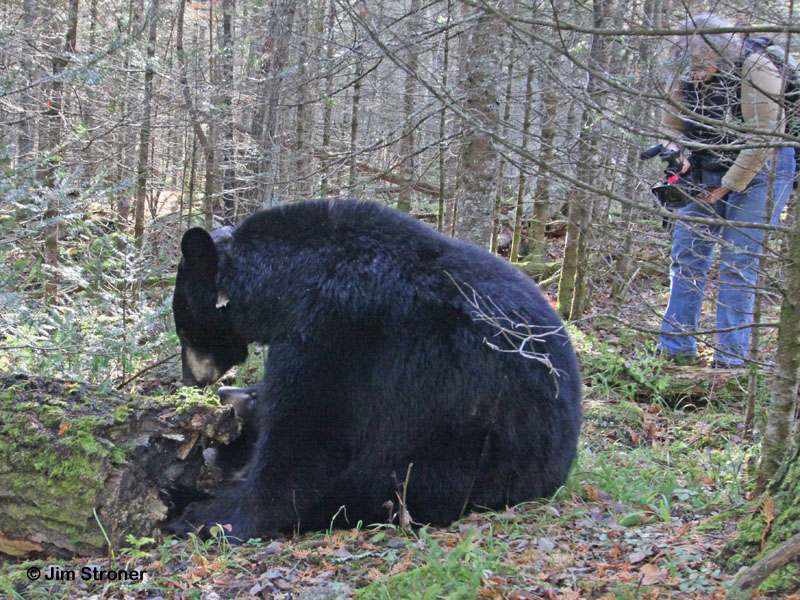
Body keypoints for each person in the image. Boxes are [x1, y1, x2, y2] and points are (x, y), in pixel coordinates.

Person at [656, 14, 796, 367]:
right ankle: (674, 350)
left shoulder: (755, 67)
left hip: (764, 167)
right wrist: (676, 154)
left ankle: (731, 359)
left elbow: (764, 137)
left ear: (719, 54)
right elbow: (671, 125)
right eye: (688, 66)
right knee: (686, 253)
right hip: (707, 166)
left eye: (701, 65)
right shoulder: (682, 72)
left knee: (739, 261)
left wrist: (725, 188)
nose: (695, 73)